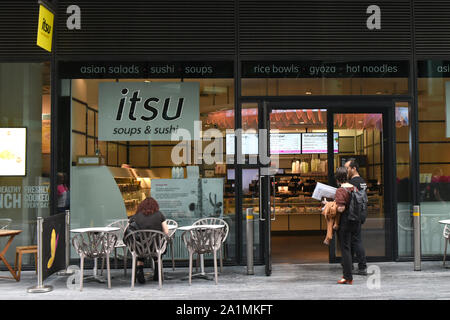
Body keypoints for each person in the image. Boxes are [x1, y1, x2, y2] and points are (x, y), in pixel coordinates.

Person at [127, 197, 169, 284]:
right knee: (158, 247)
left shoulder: (135, 216)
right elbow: (166, 231)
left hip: (139, 247)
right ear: (155, 206)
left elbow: (126, 231)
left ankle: (140, 271)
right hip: (155, 247)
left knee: (141, 247)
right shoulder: (159, 215)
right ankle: (157, 273)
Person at [334, 166, 358, 284]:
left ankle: (348, 277)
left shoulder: (340, 190)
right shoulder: (354, 188)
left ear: (337, 178)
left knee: (345, 249)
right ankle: (348, 274)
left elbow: (341, 208)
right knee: (351, 247)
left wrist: (331, 205)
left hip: (345, 222)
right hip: (355, 221)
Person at [344, 159, 368, 276]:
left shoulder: (353, 183)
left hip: (353, 214)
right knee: (355, 240)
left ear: (354, 169)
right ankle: (352, 264)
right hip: (360, 213)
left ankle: (362, 266)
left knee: (356, 241)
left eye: (347, 168)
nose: (346, 171)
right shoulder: (362, 181)